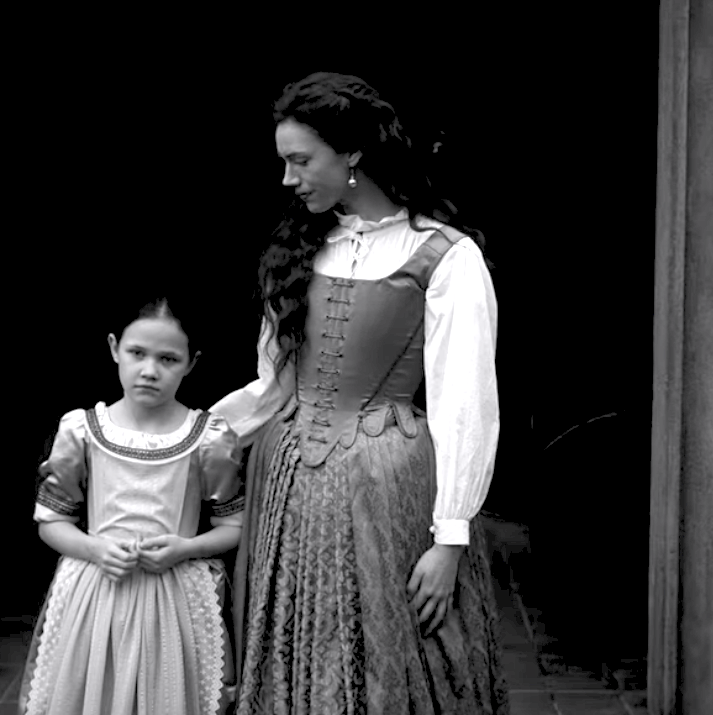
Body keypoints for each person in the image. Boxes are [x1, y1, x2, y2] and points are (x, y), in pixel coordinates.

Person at [212, 72, 508, 714]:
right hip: (289, 485)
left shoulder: (444, 256)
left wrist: (450, 537)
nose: (288, 179)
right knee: (296, 654)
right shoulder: (300, 247)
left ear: (351, 153)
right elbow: (272, 386)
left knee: (391, 655)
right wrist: (195, 438)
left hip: (388, 489)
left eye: (300, 160)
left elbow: (466, 403)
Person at [17, 296, 244, 715]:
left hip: (176, 598)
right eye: (137, 353)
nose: (150, 370)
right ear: (113, 348)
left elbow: (234, 526)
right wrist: (95, 549)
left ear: (191, 363)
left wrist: (184, 548)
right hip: (96, 592)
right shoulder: (81, 430)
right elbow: (51, 521)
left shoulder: (209, 437)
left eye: (168, 359)